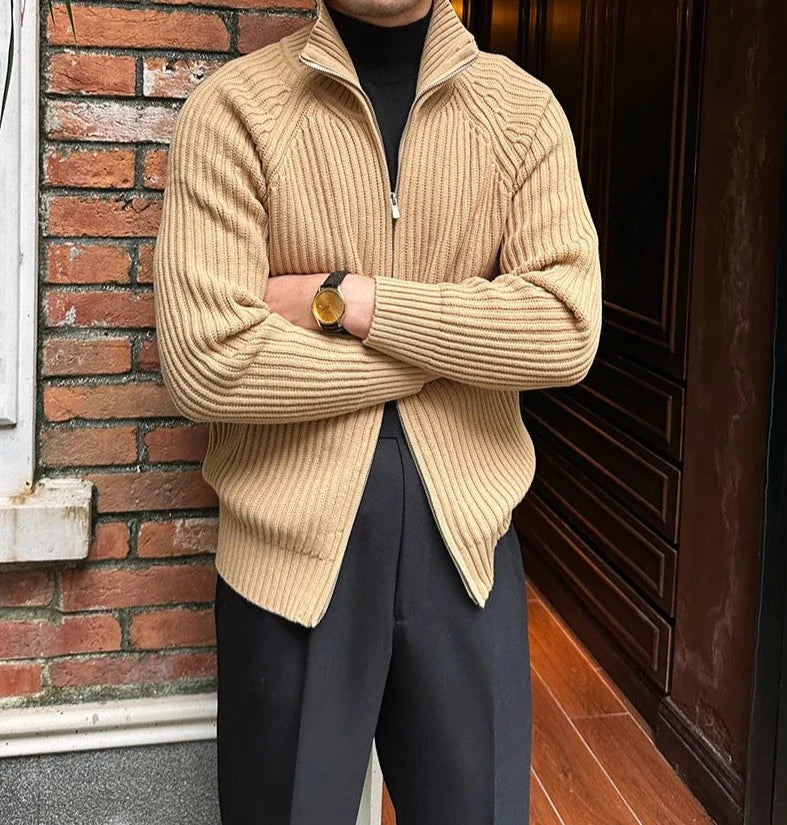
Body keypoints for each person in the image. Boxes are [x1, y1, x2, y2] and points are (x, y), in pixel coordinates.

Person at [152, 0, 602, 821]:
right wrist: (454, 353)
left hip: (468, 552)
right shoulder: (235, 110)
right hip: (286, 565)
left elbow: (565, 330)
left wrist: (344, 299)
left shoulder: (523, 114)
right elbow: (206, 362)